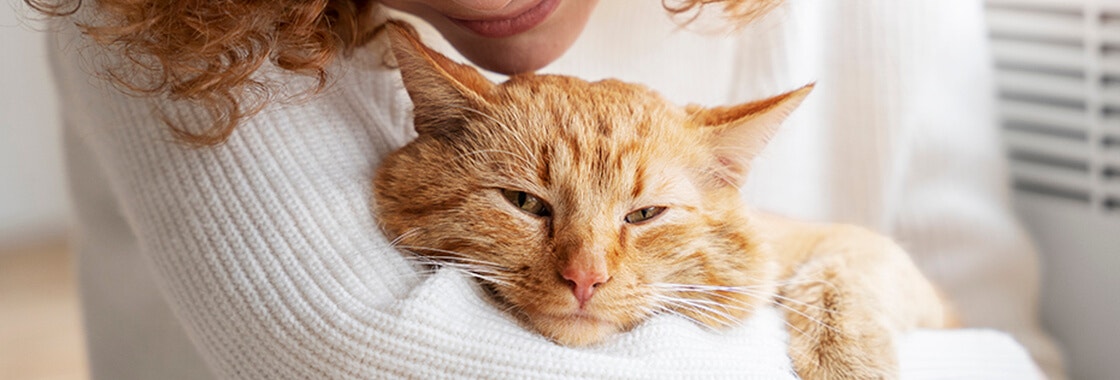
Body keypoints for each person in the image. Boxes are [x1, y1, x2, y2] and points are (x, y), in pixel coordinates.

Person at [36, 0, 1063, 378]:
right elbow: (367, 348)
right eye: (527, 206)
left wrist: (843, 270)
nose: (581, 270)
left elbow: (1026, 354)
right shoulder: (161, 15)